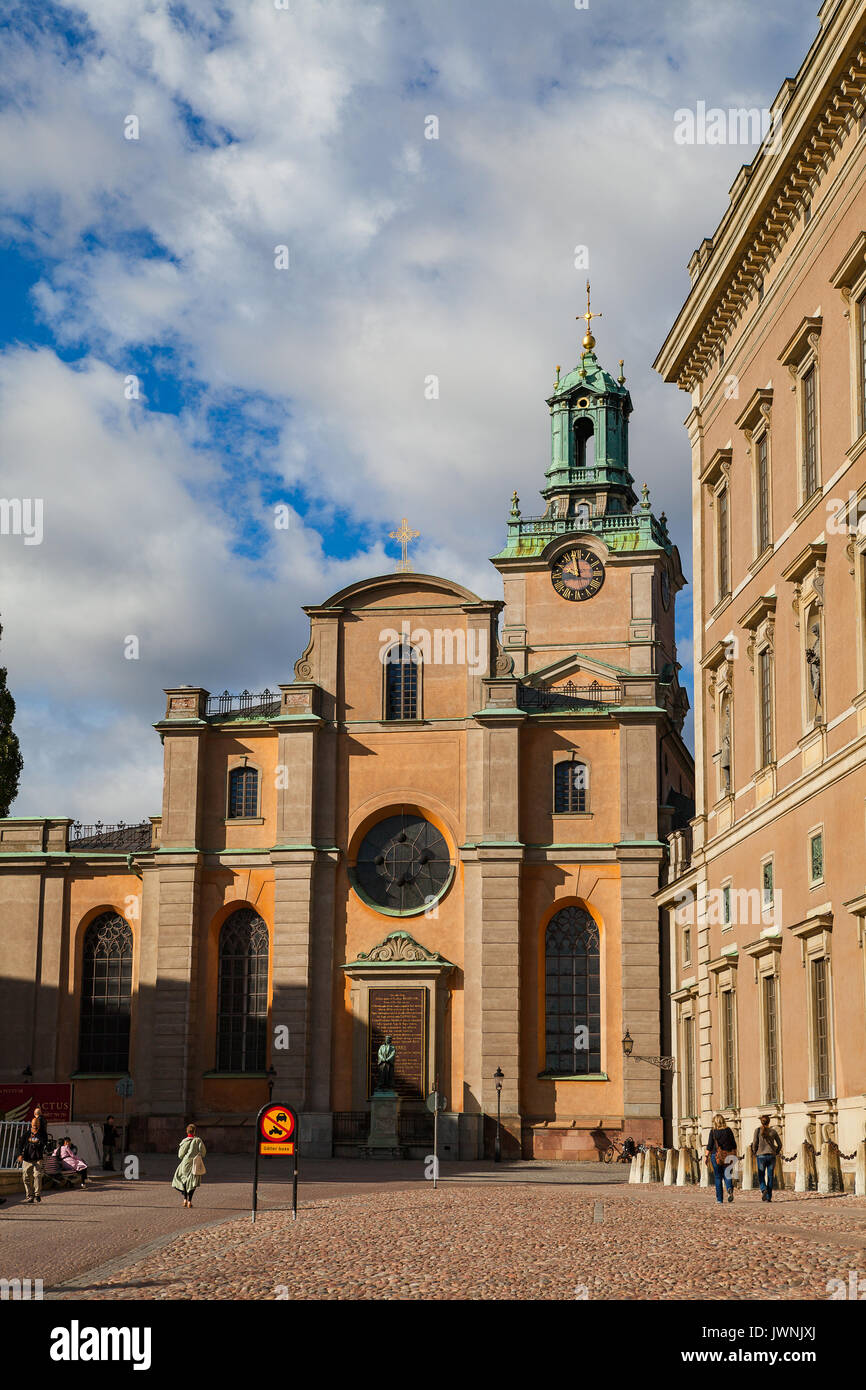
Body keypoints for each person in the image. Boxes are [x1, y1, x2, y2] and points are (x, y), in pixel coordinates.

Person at [705, 1113, 738, 1204]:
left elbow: (709, 1146)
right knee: (727, 1174)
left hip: (716, 1156)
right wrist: (734, 1154)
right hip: (728, 1155)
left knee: (718, 1177)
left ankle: (719, 1199)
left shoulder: (713, 1132)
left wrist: (706, 1156)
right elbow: (734, 1144)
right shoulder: (728, 1130)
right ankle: (729, 1188)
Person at [171, 1124, 207, 1208]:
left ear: (187, 1132)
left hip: (185, 1163)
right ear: (194, 1131)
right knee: (192, 1182)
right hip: (194, 1163)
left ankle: (184, 1199)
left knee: (183, 1180)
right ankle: (190, 1201)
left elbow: (180, 1155)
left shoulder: (184, 1141)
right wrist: (198, 1155)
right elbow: (203, 1152)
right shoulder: (198, 1140)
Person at [751, 1114, 783, 1202]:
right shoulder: (773, 1131)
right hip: (771, 1156)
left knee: (761, 1175)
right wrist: (776, 1151)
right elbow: (780, 1144)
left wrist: (754, 1152)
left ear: (761, 1121)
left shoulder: (757, 1131)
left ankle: (763, 1189)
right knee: (770, 1176)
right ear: (769, 1122)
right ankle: (768, 1197)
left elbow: (754, 1143)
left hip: (761, 1155)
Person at [15, 1118, 46, 1204]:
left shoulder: (42, 1133)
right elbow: (20, 1145)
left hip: (38, 1158)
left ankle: (37, 1194)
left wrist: (37, 1134)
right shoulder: (26, 1134)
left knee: (37, 1176)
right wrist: (20, 1155)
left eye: (36, 1124)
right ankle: (29, 1196)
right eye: (33, 1124)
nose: (35, 1125)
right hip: (27, 1158)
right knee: (26, 1178)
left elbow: (44, 1143)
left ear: (39, 1125)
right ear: (31, 1124)